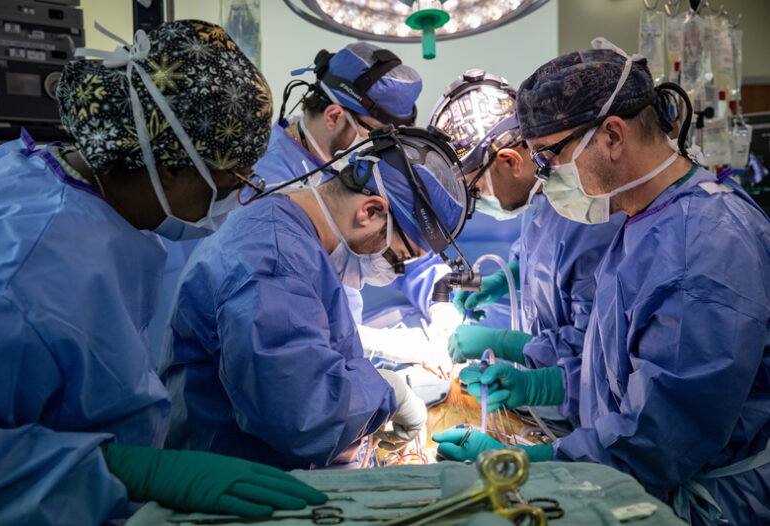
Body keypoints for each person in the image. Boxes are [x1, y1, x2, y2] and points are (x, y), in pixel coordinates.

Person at [0, 20, 326, 525]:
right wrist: (121, 470)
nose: (234, 200)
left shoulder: (76, 192)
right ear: (168, 165)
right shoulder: (28, 268)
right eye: (230, 182)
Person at [438, 40, 770, 525]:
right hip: (638, 475)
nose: (545, 180)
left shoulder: (701, 247)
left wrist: (530, 465)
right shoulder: (642, 221)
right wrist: (546, 384)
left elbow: (659, 437)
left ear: (612, 136)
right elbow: (618, 378)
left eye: (550, 159)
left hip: (704, 504)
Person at [160, 127, 470, 470]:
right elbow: (301, 414)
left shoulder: (295, 236)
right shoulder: (274, 262)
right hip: (236, 486)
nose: (394, 274)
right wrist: (388, 391)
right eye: (397, 259)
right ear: (369, 212)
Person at [433, 69, 624, 422]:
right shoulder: (546, 198)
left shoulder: (589, 214)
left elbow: (595, 352)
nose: (475, 202)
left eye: (475, 190)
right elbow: (540, 258)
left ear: (509, 161)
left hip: (591, 412)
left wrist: (504, 342)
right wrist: (500, 282)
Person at [255, 42, 421, 328]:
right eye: (375, 135)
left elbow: (399, 239)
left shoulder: (341, 171)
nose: (381, 150)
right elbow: (276, 314)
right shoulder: (266, 182)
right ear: (333, 116)